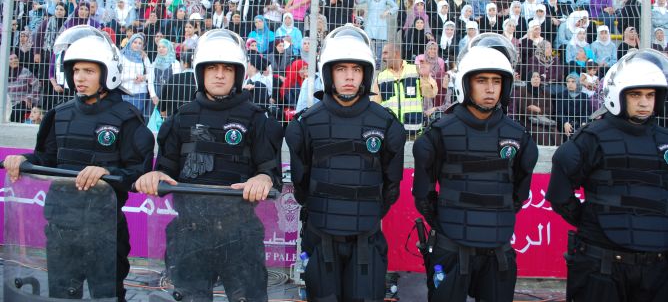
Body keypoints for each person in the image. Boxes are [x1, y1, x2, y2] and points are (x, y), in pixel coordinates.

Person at [3, 26, 154, 301]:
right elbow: (46, 159)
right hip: (61, 227)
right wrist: (23, 159)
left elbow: (138, 172)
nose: (80, 78)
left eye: (89, 71)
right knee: (61, 294)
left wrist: (107, 173)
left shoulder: (128, 118)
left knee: (105, 295)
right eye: (75, 71)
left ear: (108, 74)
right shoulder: (58, 115)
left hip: (105, 230)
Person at [134, 29, 283, 301]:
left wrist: (264, 178)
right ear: (200, 72)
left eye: (228, 68)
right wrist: (156, 174)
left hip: (241, 234)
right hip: (189, 233)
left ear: (238, 74)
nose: (219, 74)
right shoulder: (181, 118)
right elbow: (166, 169)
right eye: (212, 67)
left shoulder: (257, 120)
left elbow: (269, 171)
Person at [412, 33, 538, 302]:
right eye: (482, 81)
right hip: (451, 247)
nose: (490, 89)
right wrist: (448, 222)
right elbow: (423, 195)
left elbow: (518, 193)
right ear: (466, 84)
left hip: (498, 251)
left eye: (496, 81)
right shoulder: (439, 133)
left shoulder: (518, 136)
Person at [285, 24, 406, 302]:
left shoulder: (386, 124)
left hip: (367, 239)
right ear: (329, 73)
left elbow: (391, 186)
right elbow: (301, 186)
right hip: (320, 237)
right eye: (341, 69)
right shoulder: (305, 124)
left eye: (356, 69)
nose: (349, 77)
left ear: (366, 74)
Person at [546, 49, 668, 302]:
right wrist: (589, 219)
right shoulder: (592, 137)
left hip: (657, 269)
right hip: (601, 265)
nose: (645, 102)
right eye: (636, 95)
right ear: (618, 95)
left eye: (650, 95)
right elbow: (559, 190)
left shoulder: (664, 140)